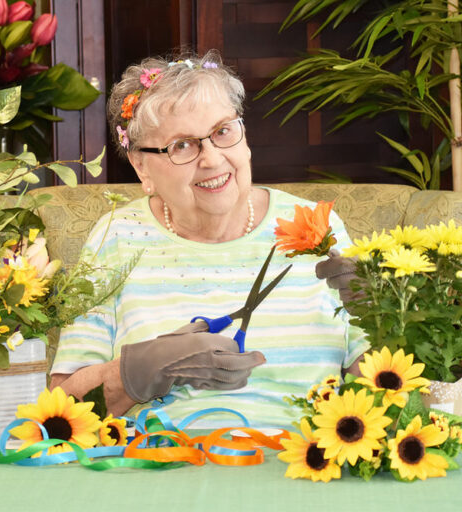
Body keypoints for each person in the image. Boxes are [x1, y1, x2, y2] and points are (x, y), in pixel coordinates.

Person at [49, 51, 368, 428]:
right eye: (182, 145)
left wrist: (384, 318)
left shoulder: (317, 226)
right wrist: (140, 371)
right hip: (155, 466)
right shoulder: (115, 237)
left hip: (307, 465)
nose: (213, 159)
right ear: (141, 165)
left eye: (222, 131)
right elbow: (61, 409)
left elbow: (395, 395)